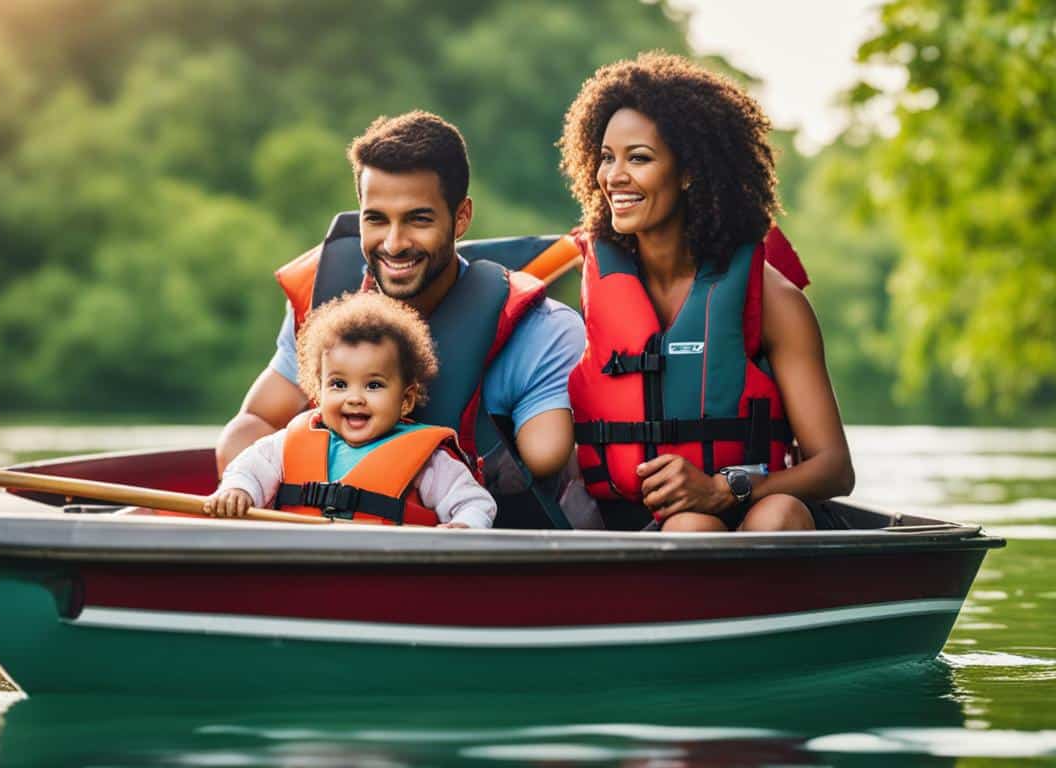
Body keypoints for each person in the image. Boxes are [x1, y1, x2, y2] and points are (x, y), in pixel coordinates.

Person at [216, 111, 586, 528]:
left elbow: (554, 465)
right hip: (324, 550)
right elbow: (255, 423)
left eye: (418, 219)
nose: (394, 244)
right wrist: (249, 488)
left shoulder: (544, 331)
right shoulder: (326, 299)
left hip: (471, 564)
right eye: (376, 219)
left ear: (461, 217)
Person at [558, 52, 855, 532]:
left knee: (777, 516)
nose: (614, 177)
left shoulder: (772, 300)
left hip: (759, 507)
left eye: (639, 158)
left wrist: (723, 489)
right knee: (689, 528)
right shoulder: (585, 285)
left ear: (689, 172)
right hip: (641, 529)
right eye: (606, 157)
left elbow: (835, 468)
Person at [206, 293, 496, 528]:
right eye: (339, 384)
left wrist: (464, 526)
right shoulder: (285, 444)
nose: (354, 398)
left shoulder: (430, 462)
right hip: (300, 566)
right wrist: (238, 491)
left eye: (373, 386)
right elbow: (248, 470)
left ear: (405, 400)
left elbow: (473, 503)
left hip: (386, 572)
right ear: (318, 392)